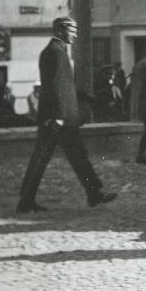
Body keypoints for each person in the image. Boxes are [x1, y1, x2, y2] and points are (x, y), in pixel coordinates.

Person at [16, 16, 117, 213]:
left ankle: (93, 193)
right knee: (45, 158)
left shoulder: (56, 50)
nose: (76, 34)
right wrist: (60, 115)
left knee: (74, 156)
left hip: (59, 117)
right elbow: (54, 87)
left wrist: (81, 96)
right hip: (58, 119)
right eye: (73, 30)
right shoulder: (56, 52)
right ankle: (26, 201)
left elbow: (61, 85)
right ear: (61, 30)